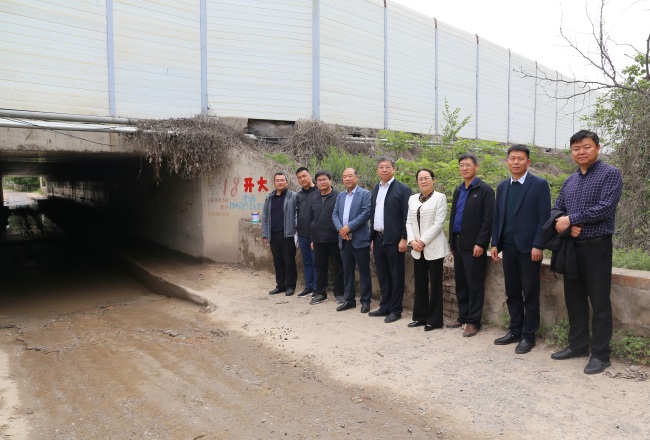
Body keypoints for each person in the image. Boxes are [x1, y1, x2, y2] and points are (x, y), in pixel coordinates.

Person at [550, 130, 623, 375]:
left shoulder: (610, 174)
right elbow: (557, 209)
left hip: (597, 247)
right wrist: (565, 223)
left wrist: (571, 219)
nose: (581, 152)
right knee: (574, 300)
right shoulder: (570, 181)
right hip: (572, 247)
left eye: (586, 147)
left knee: (599, 302)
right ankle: (578, 346)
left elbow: (605, 208)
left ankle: (601, 355)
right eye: (576, 148)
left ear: (598, 148)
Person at [491, 145, 551, 354]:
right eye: (512, 158)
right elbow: (498, 217)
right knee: (512, 291)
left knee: (530, 293)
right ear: (507, 161)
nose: (516, 162)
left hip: (529, 249)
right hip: (508, 247)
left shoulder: (539, 184)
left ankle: (528, 335)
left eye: (520, 158)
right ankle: (515, 330)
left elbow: (544, 218)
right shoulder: (502, 186)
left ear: (528, 162)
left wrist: (538, 244)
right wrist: (495, 243)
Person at [447, 154, 494, 337]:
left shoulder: (484, 190)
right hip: (458, 243)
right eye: (461, 165)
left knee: (474, 284)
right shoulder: (458, 190)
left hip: (474, 246)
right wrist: (451, 241)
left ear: (476, 166)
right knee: (461, 282)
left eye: (468, 165)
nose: (464, 168)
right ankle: (463, 316)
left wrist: (481, 243)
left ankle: (474, 322)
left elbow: (488, 220)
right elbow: (453, 216)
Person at [368, 157, 411, 323]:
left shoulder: (402, 189)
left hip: (395, 240)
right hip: (378, 239)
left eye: (387, 167)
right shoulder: (376, 189)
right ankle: (384, 306)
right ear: (377, 170)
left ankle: (395, 310)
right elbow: (374, 215)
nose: (384, 170)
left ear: (394, 169)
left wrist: (404, 237)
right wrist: (373, 238)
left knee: (396, 276)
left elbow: (407, 215)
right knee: (383, 275)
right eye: (381, 167)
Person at [406, 168, 449, 331]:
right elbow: (408, 222)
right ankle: (420, 317)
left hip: (434, 247)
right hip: (417, 248)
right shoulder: (412, 199)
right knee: (420, 283)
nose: (423, 181)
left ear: (433, 180)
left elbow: (439, 224)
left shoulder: (440, 198)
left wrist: (422, 241)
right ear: (417, 181)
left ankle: (435, 320)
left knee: (435, 285)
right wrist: (412, 241)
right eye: (420, 178)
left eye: (426, 178)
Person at [332, 168, 372, 313]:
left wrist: (349, 227)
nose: (347, 179)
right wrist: (340, 229)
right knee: (347, 271)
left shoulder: (365, 194)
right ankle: (349, 300)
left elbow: (366, 213)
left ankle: (365, 301)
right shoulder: (341, 195)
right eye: (344, 177)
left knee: (364, 271)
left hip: (360, 239)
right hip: (344, 239)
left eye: (350, 176)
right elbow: (335, 214)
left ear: (357, 177)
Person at [309, 170, 344, 305]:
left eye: (324, 179)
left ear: (330, 181)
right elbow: (311, 220)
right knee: (320, 267)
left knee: (338, 267)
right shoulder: (314, 198)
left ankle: (339, 293)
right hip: (318, 239)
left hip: (335, 239)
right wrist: (312, 238)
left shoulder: (339, 197)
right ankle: (321, 293)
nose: (322, 182)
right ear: (316, 183)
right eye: (319, 180)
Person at [262, 172, 297, 296]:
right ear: (274, 183)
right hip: (273, 235)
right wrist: (265, 234)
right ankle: (280, 285)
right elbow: (265, 216)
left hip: (287, 235)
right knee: (277, 261)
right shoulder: (269, 198)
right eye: (277, 180)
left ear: (287, 182)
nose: (280, 182)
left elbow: (297, 213)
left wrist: (295, 227)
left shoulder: (293, 196)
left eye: (282, 180)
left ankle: (290, 286)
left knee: (289, 261)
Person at [295, 167, 318, 298]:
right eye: (299, 178)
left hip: (315, 235)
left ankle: (316, 287)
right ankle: (308, 286)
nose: (302, 179)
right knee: (307, 261)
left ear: (310, 175)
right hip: (302, 234)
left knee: (316, 261)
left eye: (304, 176)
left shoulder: (319, 192)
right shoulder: (299, 195)